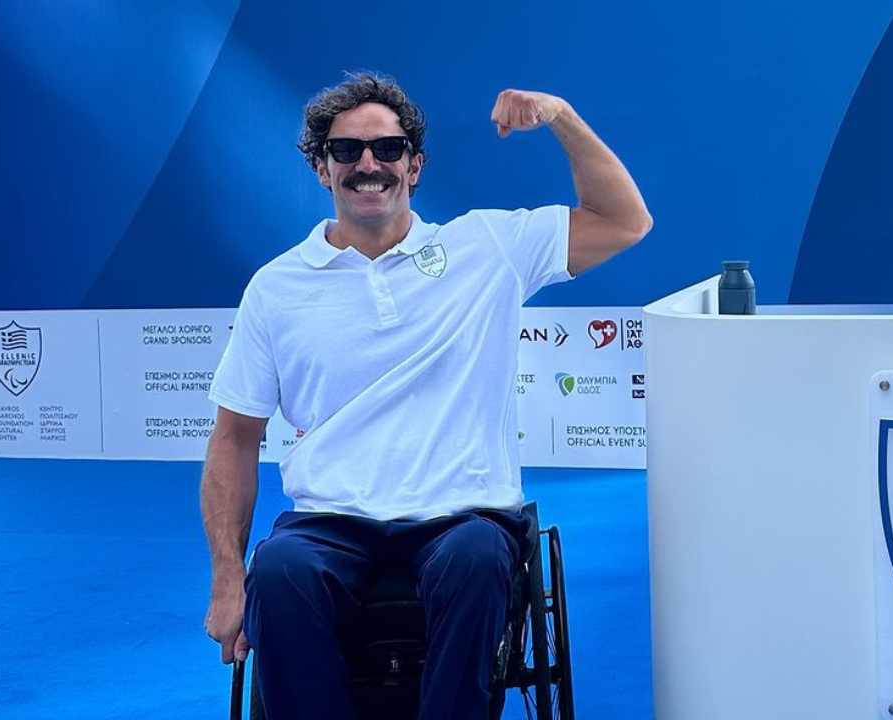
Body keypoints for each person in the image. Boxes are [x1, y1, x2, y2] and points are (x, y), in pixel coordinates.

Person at [200, 71, 651, 720]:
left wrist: (561, 116)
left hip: (463, 516)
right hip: (330, 520)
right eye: (346, 150)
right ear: (321, 168)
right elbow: (234, 436)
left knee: (476, 560)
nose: (368, 164)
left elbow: (625, 221)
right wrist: (226, 577)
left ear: (414, 165)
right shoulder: (276, 288)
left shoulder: (487, 247)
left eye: (387, 149)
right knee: (277, 572)